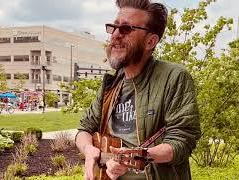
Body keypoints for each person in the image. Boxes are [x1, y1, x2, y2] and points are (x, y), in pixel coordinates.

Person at [75, 0, 201, 180]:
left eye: (126, 29)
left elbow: (183, 139)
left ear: (150, 41)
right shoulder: (111, 84)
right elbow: (84, 129)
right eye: (114, 27)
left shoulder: (174, 77)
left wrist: (139, 156)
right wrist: (89, 151)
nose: (116, 35)